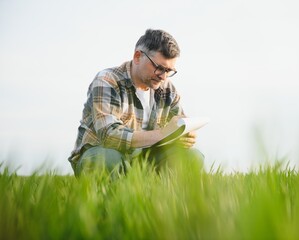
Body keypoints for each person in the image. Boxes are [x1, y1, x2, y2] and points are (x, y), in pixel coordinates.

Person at [68, 29, 204, 177]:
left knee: (192, 157)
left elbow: (178, 125)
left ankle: (160, 197)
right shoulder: (107, 80)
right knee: (105, 160)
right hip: (105, 152)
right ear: (138, 57)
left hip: (146, 158)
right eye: (159, 68)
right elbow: (109, 136)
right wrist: (164, 133)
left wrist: (184, 135)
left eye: (168, 71)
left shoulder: (167, 89)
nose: (163, 77)